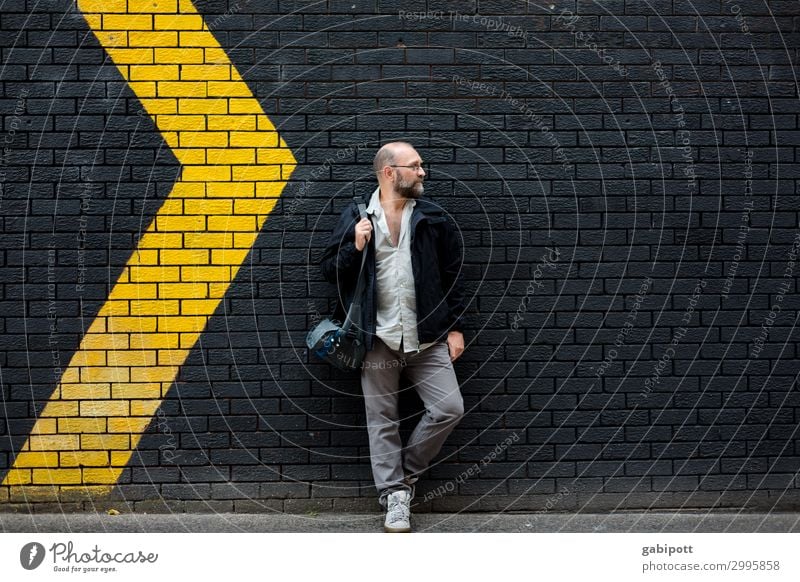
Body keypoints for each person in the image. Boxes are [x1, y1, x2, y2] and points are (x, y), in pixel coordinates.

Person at [320, 141, 467, 532]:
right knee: (381, 420)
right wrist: (355, 244)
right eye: (414, 166)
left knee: (449, 408)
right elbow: (329, 270)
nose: (422, 172)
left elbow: (453, 276)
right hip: (377, 337)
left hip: (427, 338)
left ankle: (404, 478)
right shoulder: (357, 217)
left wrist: (454, 326)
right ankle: (395, 497)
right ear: (390, 172)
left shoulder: (433, 218)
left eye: (421, 166)